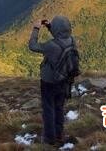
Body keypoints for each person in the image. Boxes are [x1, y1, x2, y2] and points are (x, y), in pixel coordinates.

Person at [28, 15, 78, 146]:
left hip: (49, 82)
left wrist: (36, 28)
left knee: (49, 109)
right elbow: (60, 37)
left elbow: (32, 46)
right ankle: (59, 135)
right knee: (59, 108)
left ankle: (50, 139)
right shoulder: (72, 40)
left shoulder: (51, 46)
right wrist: (51, 27)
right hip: (64, 81)